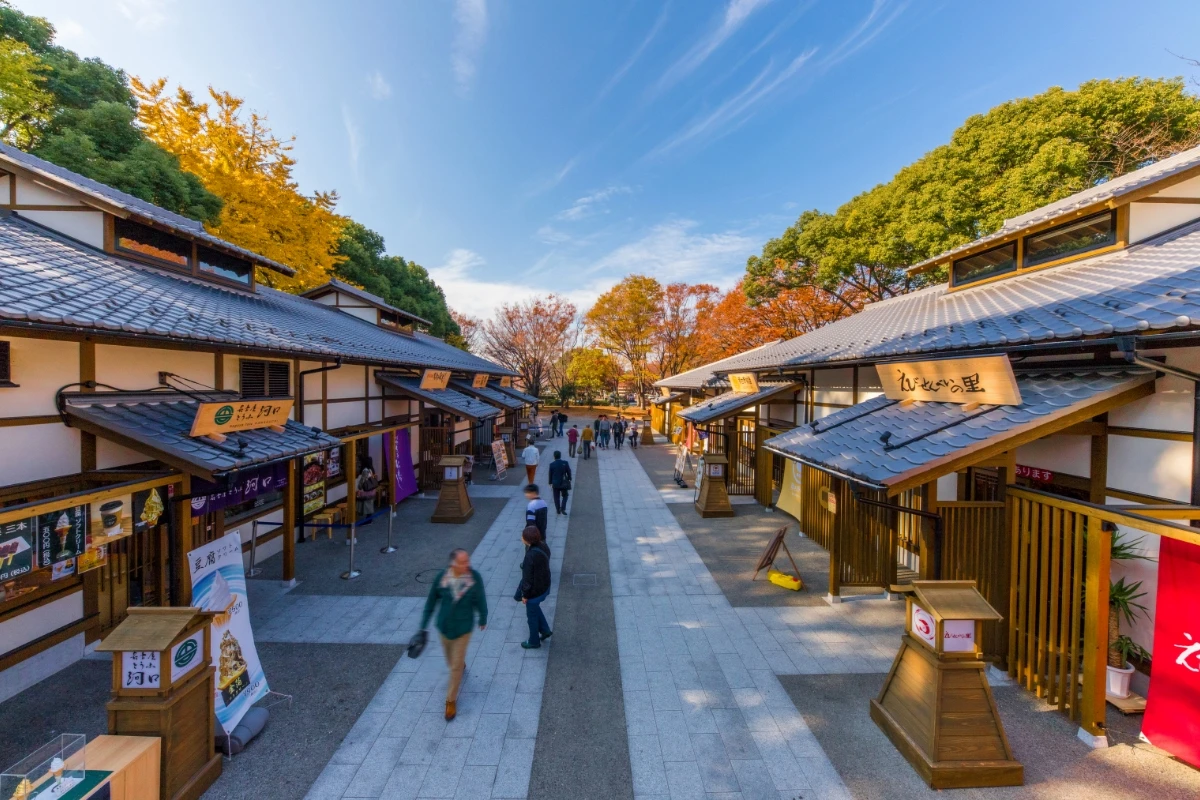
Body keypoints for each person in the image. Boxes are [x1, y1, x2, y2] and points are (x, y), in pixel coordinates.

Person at [420, 548, 488, 721]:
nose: (467, 565)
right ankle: (460, 662)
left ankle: (450, 700)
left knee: (455, 667)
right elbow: (430, 602)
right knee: (451, 661)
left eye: (468, 561)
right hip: (444, 628)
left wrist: (483, 617)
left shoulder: (474, 578)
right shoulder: (442, 578)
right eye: (463, 562)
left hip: (463, 628)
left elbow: (480, 599)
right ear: (453, 564)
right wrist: (422, 627)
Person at [515, 526, 552, 648]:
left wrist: (525, 595)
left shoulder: (530, 555)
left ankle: (534, 641)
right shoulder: (543, 546)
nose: (521, 538)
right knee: (535, 608)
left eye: (523, 536)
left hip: (534, 592)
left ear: (527, 540)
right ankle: (545, 630)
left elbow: (527, 579)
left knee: (531, 617)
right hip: (545, 586)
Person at [548, 450, 572, 515]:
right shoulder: (565, 463)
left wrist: (550, 482)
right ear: (560, 456)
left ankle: (558, 509)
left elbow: (550, 474)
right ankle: (563, 508)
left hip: (555, 483)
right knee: (565, 495)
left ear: (554, 457)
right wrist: (569, 478)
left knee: (556, 497)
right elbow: (569, 472)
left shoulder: (552, 465)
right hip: (563, 483)